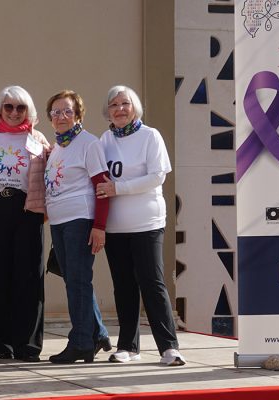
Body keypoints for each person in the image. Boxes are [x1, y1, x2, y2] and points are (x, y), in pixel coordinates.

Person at [96, 85, 185, 366]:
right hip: (115, 226)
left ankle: (169, 347)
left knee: (152, 282)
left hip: (147, 222)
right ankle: (127, 346)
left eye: (125, 103)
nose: (120, 109)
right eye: (114, 105)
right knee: (123, 286)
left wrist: (119, 188)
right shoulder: (104, 139)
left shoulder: (150, 136)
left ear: (135, 107)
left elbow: (157, 176)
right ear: (107, 111)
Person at [0, 85, 49, 362]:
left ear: (29, 111)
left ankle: (28, 345)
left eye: (21, 108)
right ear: (0, 109)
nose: (15, 113)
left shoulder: (37, 138)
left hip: (27, 210)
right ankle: (3, 344)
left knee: (29, 278)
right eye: (9, 107)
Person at [42, 90, 112, 364]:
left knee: (78, 282)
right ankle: (98, 333)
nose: (61, 116)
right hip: (59, 222)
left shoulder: (89, 143)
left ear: (78, 114)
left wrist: (99, 226)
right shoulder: (58, 146)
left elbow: (102, 188)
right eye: (56, 112)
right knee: (75, 280)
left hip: (79, 220)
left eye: (67, 111)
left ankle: (81, 343)